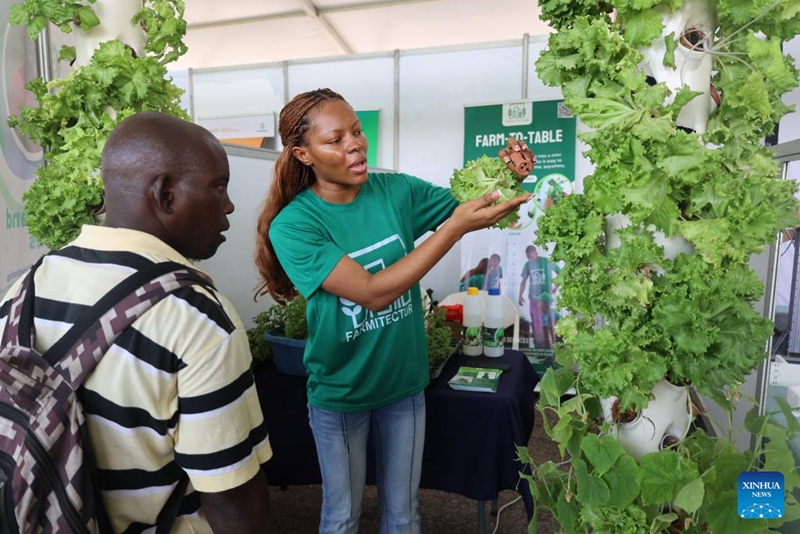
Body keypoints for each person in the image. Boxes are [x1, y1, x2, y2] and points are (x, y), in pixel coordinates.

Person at [254, 88, 532, 534]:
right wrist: (452, 232)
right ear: (303, 154)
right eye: (335, 140)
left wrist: (506, 173)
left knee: (403, 515)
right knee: (342, 517)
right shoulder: (295, 224)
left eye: (357, 131)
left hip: (404, 386)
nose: (355, 145)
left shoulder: (396, 191)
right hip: (342, 394)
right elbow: (371, 293)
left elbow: (470, 207)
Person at [0, 112, 273, 533]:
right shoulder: (196, 317)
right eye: (218, 186)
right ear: (165, 194)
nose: (229, 204)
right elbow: (231, 500)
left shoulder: (24, 290)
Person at [518, 245, 560, 350]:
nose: (530, 258)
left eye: (531, 256)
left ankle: (551, 346)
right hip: (533, 297)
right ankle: (539, 347)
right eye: (528, 256)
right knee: (536, 322)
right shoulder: (527, 265)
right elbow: (523, 281)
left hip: (545, 297)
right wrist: (520, 295)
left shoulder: (546, 261)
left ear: (536, 253)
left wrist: (555, 288)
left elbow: (560, 273)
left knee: (547, 320)